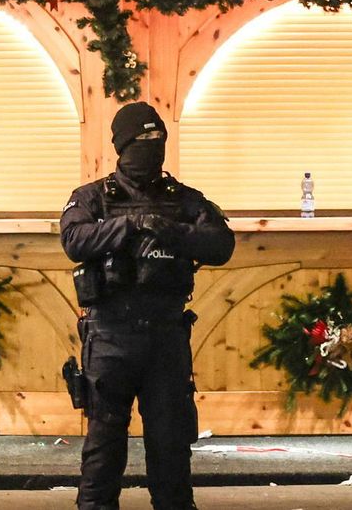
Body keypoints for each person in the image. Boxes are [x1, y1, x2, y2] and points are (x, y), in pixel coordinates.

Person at [60, 101, 235, 510]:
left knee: (171, 447)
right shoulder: (92, 198)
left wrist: (173, 232)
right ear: (122, 145)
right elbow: (74, 241)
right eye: (142, 139)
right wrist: (129, 226)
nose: (151, 147)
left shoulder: (183, 199)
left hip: (165, 339)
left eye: (158, 138)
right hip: (110, 338)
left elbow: (221, 244)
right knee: (103, 449)